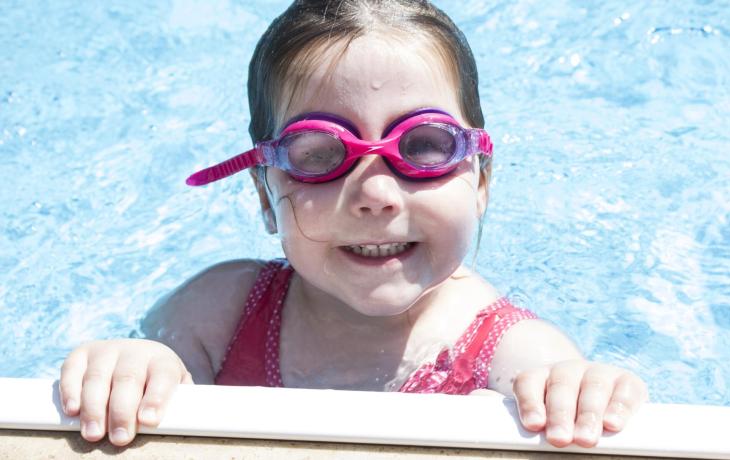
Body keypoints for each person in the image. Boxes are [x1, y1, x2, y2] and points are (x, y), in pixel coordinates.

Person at [59, 0, 648, 448]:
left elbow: (575, 405)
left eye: (424, 145)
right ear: (266, 196)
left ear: (483, 183)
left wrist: (580, 391)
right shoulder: (219, 311)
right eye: (318, 153)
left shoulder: (512, 355)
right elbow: (148, 366)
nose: (374, 194)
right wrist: (136, 366)